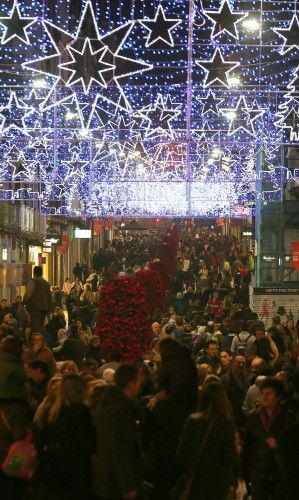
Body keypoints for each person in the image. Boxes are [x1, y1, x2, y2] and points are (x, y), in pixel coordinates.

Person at [33, 375, 95, 500]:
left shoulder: (52, 410)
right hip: (73, 470)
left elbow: (40, 439)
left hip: (50, 467)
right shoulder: (82, 411)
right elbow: (89, 443)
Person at [176, 382, 238, 500]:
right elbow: (230, 458)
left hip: (195, 483)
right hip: (217, 485)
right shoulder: (225, 425)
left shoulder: (191, 421)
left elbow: (181, 455)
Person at [91, 364, 144, 500]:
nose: (140, 386)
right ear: (131, 383)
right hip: (115, 482)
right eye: (138, 382)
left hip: (101, 478)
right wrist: (128, 486)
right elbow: (121, 448)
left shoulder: (105, 403)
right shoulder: (121, 410)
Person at [244, 377, 296, 500]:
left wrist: (279, 446)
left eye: (269, 394)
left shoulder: (288, 419)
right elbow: (248, 447)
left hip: (280, 475)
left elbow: (294, 449)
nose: (264, 397)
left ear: (278, 397)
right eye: (262, 394)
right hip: (258, 473)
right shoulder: (253, 419)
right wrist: (247, 474)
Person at [23, 266, 52, 333]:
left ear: (34, 273)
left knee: (35, 329)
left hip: (35, 309)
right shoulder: (46, 283)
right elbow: (50, 298)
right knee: (41, 328)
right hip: (44, 310)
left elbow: (28, 294)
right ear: (42, 273)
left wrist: (23, 302)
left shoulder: (33, 281)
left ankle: (36, 342)